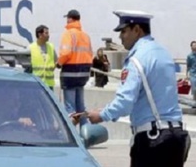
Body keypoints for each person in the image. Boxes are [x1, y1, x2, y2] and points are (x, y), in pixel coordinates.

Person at [85, 10, 190, 167]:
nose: (120, 37)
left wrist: (101, 115)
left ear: (137, 30)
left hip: (153, 140)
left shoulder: (137, 59)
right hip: (176, 137)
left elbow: (125, 102)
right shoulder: (163, 53)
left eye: (124, 31)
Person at [58, 9, 93, 127]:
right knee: (81, 107)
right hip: (84, 74)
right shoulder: (85, 36)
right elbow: (90, 54)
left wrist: (59, 63)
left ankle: (71, 136)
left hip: (70, 73)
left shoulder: (68, 34)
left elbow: (65, 53)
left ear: (69, 19)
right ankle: (86, 133)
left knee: (70, 108)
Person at [29, 25, 57, 90]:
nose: (48, 35)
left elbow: (56, 61)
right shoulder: (31, 48)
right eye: (46, 33)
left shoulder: (51, 47)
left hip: (49, 84)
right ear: (40, 35)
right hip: (36, 83)